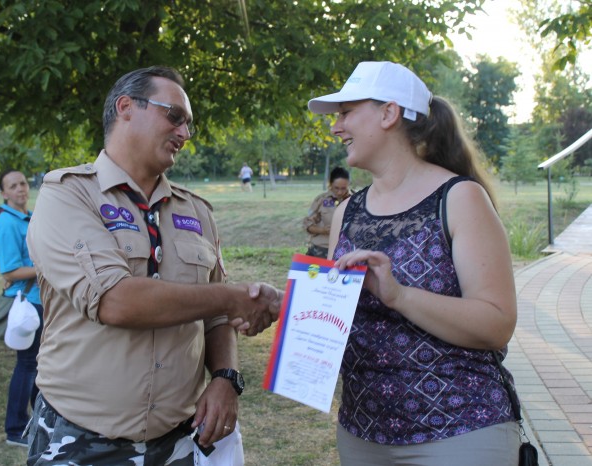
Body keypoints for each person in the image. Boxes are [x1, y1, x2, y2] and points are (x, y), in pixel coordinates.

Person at [25, 66, 283, 465]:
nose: (185, 133)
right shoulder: (68, 195)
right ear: (126, 107)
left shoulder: (196, 210)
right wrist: (234, 297)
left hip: (177, 443)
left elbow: (216, 319)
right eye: (175, 116)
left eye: (189, 124)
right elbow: (117, 301)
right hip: (80, 443)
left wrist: (226, 378)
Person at [308, 61, 519, 465]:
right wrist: (286, 310)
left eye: (346, 113)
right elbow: (334, 317)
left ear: (389, 113)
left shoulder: (459, 198)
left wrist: (399, 295)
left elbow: (496, 324)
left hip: (460, 432)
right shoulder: (346, 212)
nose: (336, 127)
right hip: (363, 434)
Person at [0, 169, 43, 447]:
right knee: (26, 364)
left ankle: (38, 419)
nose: (21, 189)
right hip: (27, 304)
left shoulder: (28, 216)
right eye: (13, 186)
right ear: (4, 193)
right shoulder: (7, 224)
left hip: (40, 301)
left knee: (37, 363)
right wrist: (46, 267)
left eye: (23, 183)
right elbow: (10, 270)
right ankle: (15, 428)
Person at [302, 166, 352, 258]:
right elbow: (307, 225)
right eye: (336, 188)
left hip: (346, 251)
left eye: (343, 188)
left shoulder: (356, 200)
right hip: (321, 250)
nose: (340, 192)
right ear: (331, 184)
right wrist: (323, 230)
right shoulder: (321, 200)